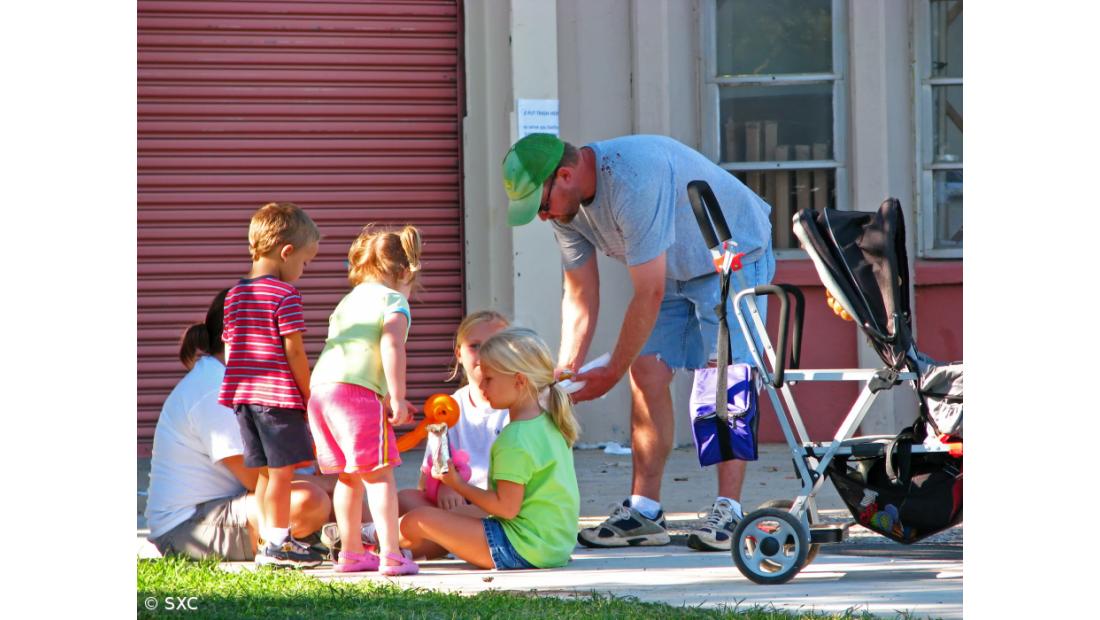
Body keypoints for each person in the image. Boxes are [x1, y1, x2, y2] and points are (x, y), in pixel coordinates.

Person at [501, 133, 775, 551]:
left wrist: (609, 372)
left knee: (722, 378)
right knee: (645, 371)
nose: (542, 217)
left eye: (540, 205)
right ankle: (645, 512)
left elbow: (647, 294)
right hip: (669, 269)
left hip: (732, 257)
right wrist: (566, 371)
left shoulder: (632, 180)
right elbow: (579, 294)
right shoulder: (565, 213)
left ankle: (729, 511)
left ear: (566, 175)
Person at [146, 290, 332, 562]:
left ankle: (353, 538)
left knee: (334, 496)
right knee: (309, 501)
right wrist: (329, 484)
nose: (289, 349)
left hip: (234, 505)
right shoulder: (213, 388)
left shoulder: (244, 382)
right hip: (187, 526)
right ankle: (309, 538)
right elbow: (256, 479)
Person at [398, 327, 581, 570]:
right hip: (551, 546)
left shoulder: (515, 438)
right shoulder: (549, 423)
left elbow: (505, 508)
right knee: (455, 518)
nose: (481, 385)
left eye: (489, 378)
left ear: (519, 380)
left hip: (519, 548)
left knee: (419, 519)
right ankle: (396, 551)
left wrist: (457, 484)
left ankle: (366, 540)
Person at [306, 225, 423, 575]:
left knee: (349, 476)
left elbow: (355, 354)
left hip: (322, 392)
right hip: (354, 396)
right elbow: (391, 345)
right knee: (380, 475)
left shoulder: (348, 301)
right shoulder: (394, 300)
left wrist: (384, 397)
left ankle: (352, 552)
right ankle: (391, 554)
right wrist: (399, 397)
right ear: (405, 272)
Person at [218, 202, 325, 567]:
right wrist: (308, 392)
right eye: (305, 263)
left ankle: (268, 539)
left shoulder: (234, 295)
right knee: (282, 474)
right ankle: (280, 542)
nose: (303, 271)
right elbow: (293, 349)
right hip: (276, 398)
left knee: (264, 474)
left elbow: (231, 348)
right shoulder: (285, 295)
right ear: (287, 252)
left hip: (243, 399)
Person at [388, 310, 511, 560]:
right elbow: (427, 480)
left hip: (496, 508)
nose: (484, 354)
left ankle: (377, 543)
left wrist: (465, 493)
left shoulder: (516, 406)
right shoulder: (447, 407)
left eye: (494, 346)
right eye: (475, 346)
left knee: (424, 522)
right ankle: (396, 546)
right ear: (459, 353)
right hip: (453, 506)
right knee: (405, 499)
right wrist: (444, 486)